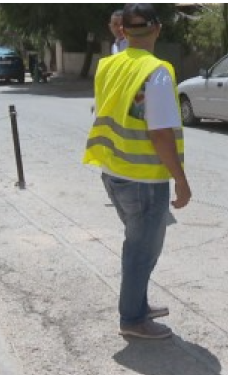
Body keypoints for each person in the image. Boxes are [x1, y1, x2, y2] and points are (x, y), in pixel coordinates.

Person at [83, 3, 192, 339]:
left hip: (113, 171)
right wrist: (181, 181)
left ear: (123, 30)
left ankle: (138, 305)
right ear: (157, 28)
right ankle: (132, 319)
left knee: (137, 246)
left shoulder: (108, 64)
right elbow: (160, 134)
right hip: (144, 180)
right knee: (141, 252)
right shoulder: (156, 71)